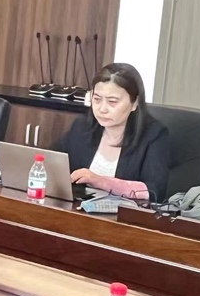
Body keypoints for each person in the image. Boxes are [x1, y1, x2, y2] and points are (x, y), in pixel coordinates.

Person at [60, 63, 170, 201]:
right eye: (97, 99)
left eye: (112, 102)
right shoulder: (82, 127)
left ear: (135, 103)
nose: (102, 109)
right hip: (76, 209)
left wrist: (100, 181)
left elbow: (154, 191)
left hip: (124, 213)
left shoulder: (154, 135)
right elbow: (52, 161)